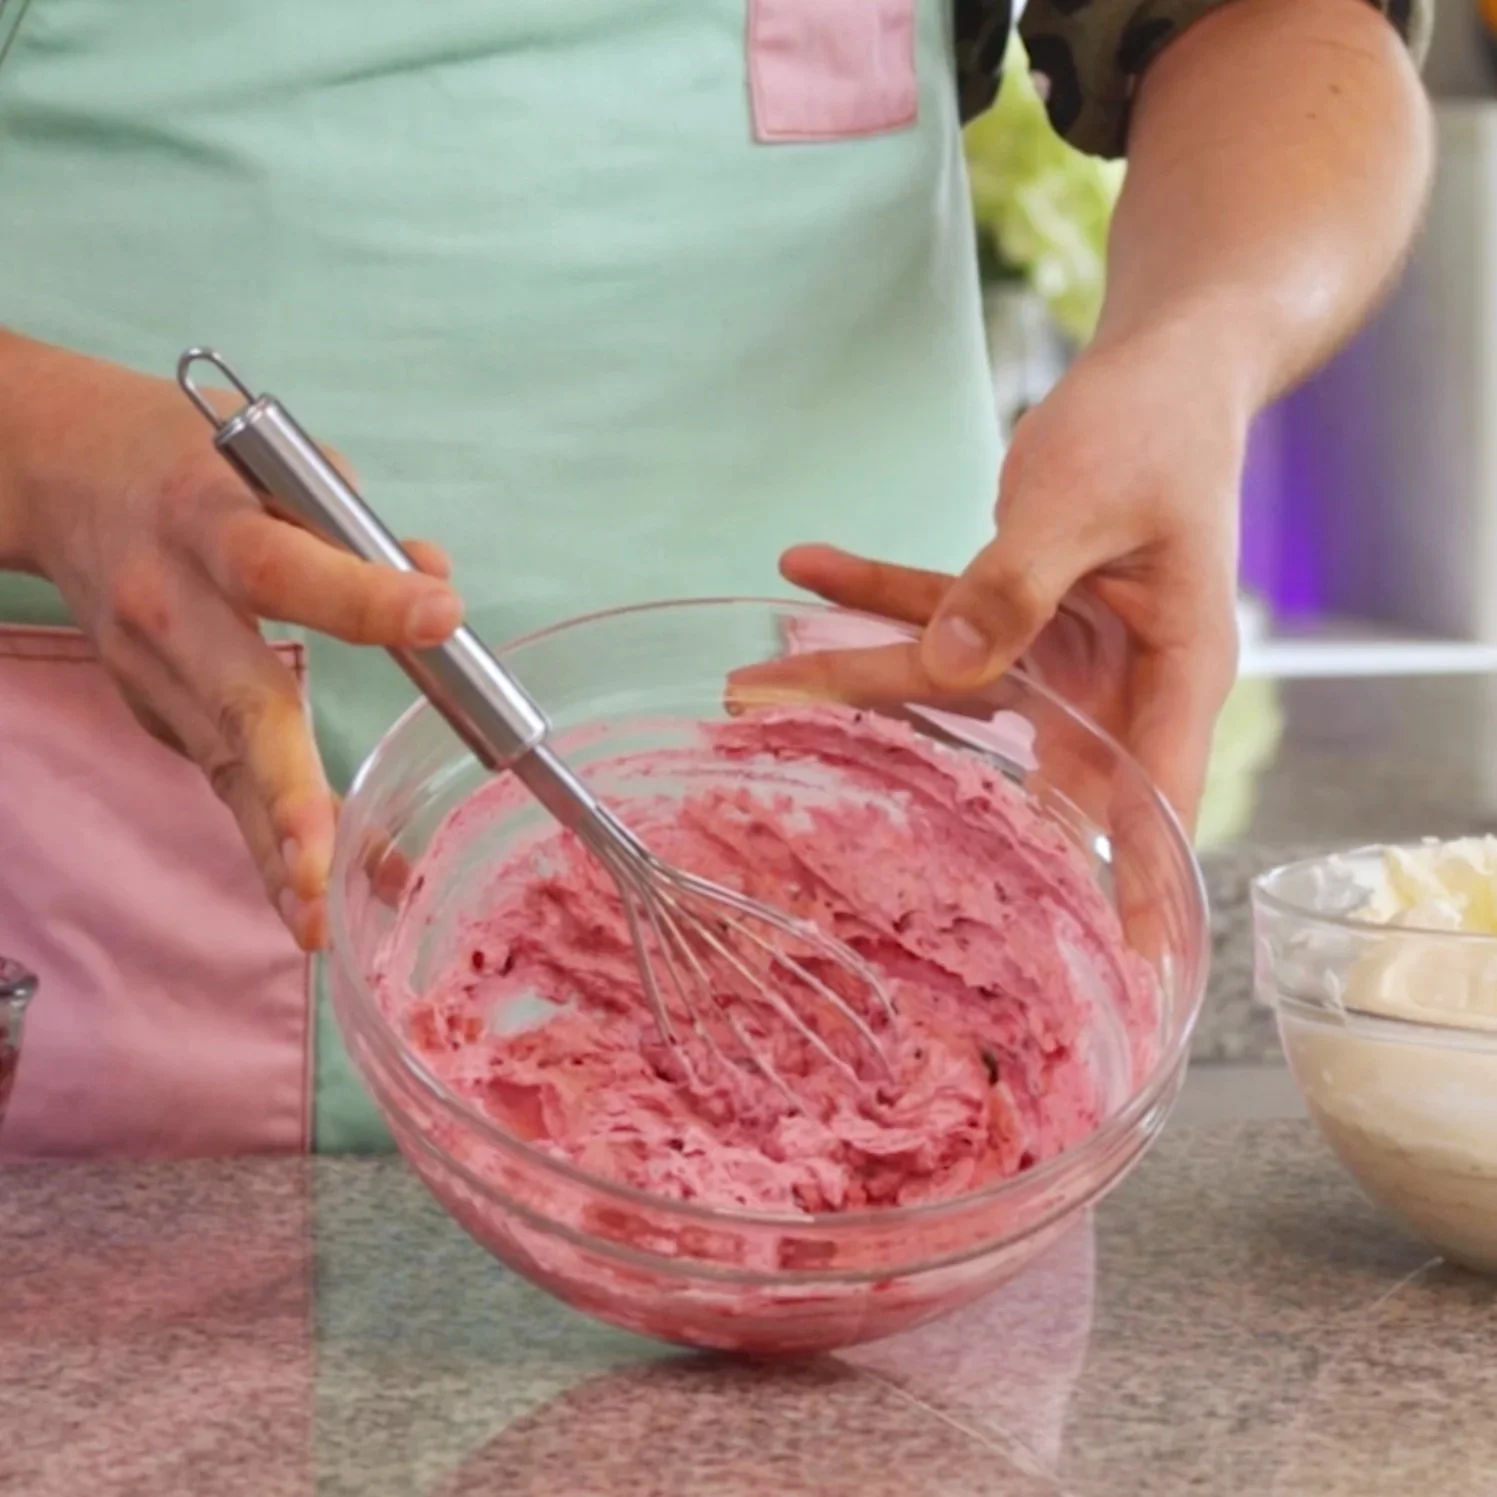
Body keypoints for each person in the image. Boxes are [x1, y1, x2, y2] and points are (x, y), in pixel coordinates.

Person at [0, 0, 1431, 1157]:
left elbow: (1268, 23)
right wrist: (50, 454)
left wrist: (1198, 347)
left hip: (895, 852)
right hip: (128, 936)